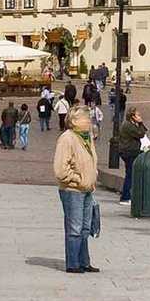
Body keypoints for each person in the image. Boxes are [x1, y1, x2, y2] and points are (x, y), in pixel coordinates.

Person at [54, 108, 99, 274]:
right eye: (86, 118)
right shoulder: (67, 138)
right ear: (74, 121)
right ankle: (73, 263)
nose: (89, 121)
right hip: (73, 190)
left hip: (87, 189)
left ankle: (84, 261)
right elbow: (60, 169)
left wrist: (92, 177)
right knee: (75, 227)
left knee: (85, 227)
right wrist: (78, 179)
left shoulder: (87, 138)